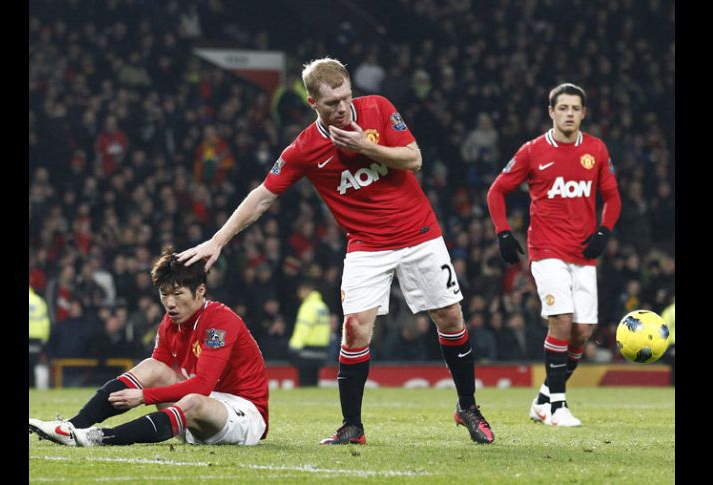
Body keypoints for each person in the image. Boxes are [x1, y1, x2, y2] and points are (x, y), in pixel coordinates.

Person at [177, 57, 494, 445]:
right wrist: (217, 240)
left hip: (419, 234)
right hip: (366, 246)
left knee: (449, 317)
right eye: (331, 104)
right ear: (313, 103)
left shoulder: (378, 108)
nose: (343, 107)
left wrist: (366, 146)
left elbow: (414, 158)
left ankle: (467, 407)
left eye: (345, 97)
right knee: (355, 328)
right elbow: (262, 197)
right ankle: (352, 426)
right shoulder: (305, 149)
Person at [29, 247, 269, 447]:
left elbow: (203, 385)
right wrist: (144, 390)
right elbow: (154, 374)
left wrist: (144, 397)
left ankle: (100, 438)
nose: (170, 303)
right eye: (164, 294)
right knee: (153, 367)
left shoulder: (219, 320)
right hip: (196, 416)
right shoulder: (169, 324)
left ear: (200, 291)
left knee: (194, 399)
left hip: (243, 412)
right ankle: (72, 426)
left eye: (177, 293)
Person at [487, 83, 621, 427]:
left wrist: (604, 231)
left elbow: (612, 196)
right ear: (551, 112)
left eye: (576, 108)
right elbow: (497, 191)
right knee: (560, 319)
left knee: (582, 330)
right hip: (546, 250)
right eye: (563, 108)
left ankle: (543, 397)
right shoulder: (533, 151)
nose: (570, 114)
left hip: (583, 253)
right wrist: (503, 231)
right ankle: (557, 406)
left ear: (584, 112)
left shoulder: (596, 149)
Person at [288, 280, 332, 387]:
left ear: (306, 290)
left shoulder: (308, 307)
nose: (299, 294)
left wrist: (294, 346)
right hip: (321, 350)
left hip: (307, 352)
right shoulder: (322, 306)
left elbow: (303, 329)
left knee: (305, 384)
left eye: (300, 291)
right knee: (314, 384)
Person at [29, 285, 51, 388]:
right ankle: (39, 388)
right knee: (37, 364)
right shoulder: (38, 301)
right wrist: (44, 339)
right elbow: (45, 321)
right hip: (36, 339)